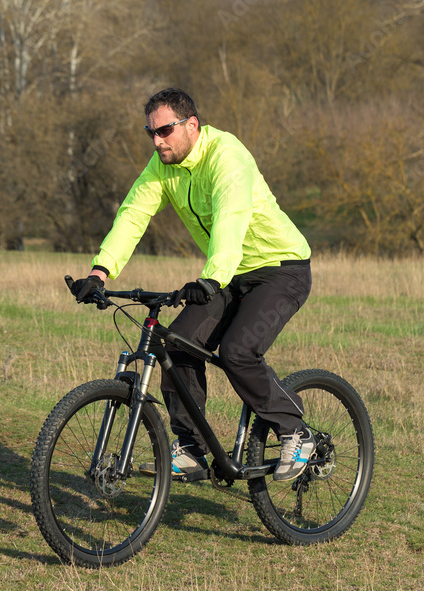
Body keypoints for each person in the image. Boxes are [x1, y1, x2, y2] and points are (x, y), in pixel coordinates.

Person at [69, 88, 314, 482]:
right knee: (179, 343)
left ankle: (295, 430)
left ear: (192, 125)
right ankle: (192, 448)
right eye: (150, 132)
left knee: (238, 352)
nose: (157, 140)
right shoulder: (163, 165)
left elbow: (231, 221)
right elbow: (134, 213)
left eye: (164, 131)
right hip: (228, 273)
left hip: (279, 268)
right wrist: (101, 271)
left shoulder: (227, 157)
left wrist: (212, 279)